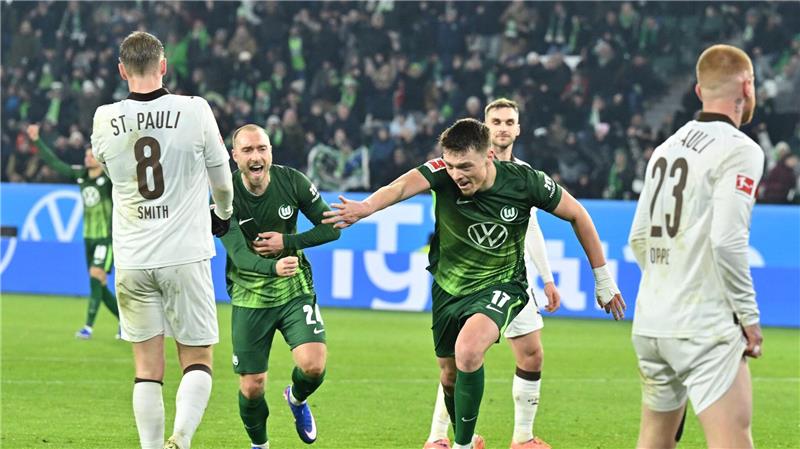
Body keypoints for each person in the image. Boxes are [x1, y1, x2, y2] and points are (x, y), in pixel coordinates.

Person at [323, 118, 625, 449]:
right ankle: (462, 437)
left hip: (501, 284)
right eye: (451, 166)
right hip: (448, 288)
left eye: (465, 166)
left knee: (468, 350)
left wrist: (603, 279)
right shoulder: (442, 172)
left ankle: (464, 445)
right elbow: (400, 187)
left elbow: (578, 214)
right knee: (449, 375)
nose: (456, 174)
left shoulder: (525, 182)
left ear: (489, 156)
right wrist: (365, 207)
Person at [90, 31, 234, 449]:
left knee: (147, 369)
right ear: (164, 65)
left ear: (122, 70)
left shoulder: (104, 117)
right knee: (198, 360)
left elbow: (106, 160)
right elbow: (222, 182)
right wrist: (221, 216)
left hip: (133, 258)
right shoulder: (194, 109)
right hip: (184, 253)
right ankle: (182, 440)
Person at [628, 44, 764, 449]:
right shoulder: (741, 149)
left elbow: (638, 237)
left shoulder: (666, 148)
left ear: (698, 90)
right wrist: (749, 317)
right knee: (732, 440)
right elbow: (727, 239)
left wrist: (666, 286)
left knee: (654, 440)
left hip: (651, 323)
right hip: (702, 326)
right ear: (746, 85)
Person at [423, 99, 560, 449]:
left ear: (518, 129)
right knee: (459, 357)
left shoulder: (525, 176)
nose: (502, 127)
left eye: (509, 121)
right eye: (495, 121)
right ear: (484, 130)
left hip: (511, 280)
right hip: (469, 280)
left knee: (531, 353)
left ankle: (523, 438)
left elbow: (533, 230)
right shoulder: (456, 168)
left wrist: (546, 278)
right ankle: (439, 436)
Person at [217, 124, 340, 449]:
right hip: (249, 296)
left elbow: (332, 229)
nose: (256, 157)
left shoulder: (292, 181)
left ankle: (296, 398)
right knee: (253, 386)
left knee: (313, 366)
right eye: (248, 150)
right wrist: (273, 265)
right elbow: (240, 256)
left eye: (262, 149)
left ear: (270, 152)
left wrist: (288, 241)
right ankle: (260, 445)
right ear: (235, 156)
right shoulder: (223, 194)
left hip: (294, 290)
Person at [26, 123, 121, 340]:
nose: (87, 159)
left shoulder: (109, 180)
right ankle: (125, 323)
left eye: (91, 156)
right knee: (99, 284)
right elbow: (54, 163)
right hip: (88, 238)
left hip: (106, 239)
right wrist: (36, 140)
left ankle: (88, 327)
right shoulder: (80, 175)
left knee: (96, 275)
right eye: (86, 155)